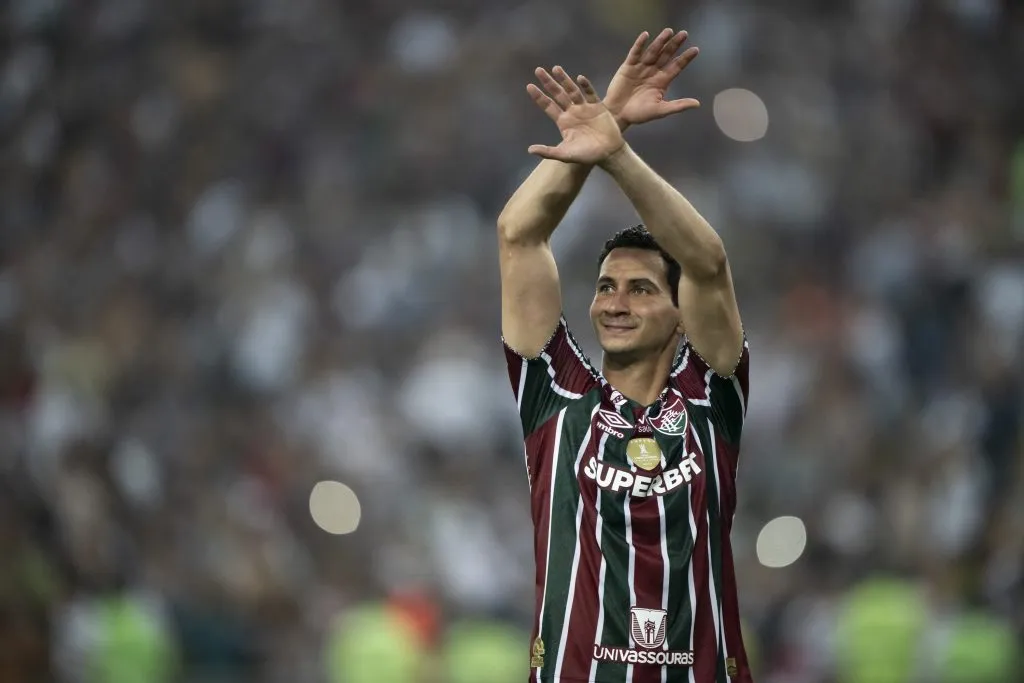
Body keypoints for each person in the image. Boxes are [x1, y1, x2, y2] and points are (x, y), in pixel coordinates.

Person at [498, 29, 752, 683]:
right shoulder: (555, 394)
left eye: (641, 289)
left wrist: (619, 158)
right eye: (606, 286)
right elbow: (518, 235)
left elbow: (709, 261)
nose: (615, 302)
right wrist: (599, 130)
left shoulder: (709, 394)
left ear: (679, 314)